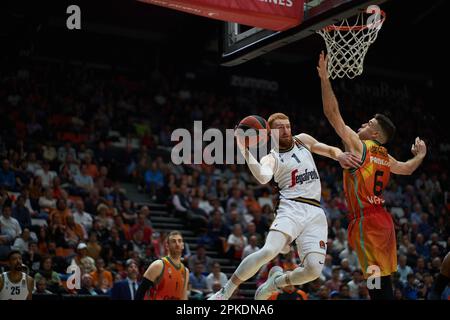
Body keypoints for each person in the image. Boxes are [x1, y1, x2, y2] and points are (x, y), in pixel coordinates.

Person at [209, 112, 360, 300]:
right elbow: (263, 177)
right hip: (291, 208)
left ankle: (275, 282)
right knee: (269, 251)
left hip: (315, 211)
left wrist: (340, 156)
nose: (286, 130)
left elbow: (330, 150)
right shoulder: (271, 157)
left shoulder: (302, 140)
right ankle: (225, 292)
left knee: (313, 271)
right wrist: (244, 150)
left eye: (287, 126)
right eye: (280, 128)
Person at [317, 52, 427, 299]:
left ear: (376, 135)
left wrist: (325, 79)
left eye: (368, 124)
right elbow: (407, 169)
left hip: (366, 221)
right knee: (382, 280)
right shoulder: (385, 157)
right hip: (384, 222)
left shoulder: (359, 146)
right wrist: (420, 156)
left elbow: (333, 115)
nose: (363, 125)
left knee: (375, 281)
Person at [135, 230, 189, 300]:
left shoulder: (185, 271)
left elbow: (183, 297)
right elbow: (140, 292)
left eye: (179, 241)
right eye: (173, 241)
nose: (177, 244)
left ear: (183, 246)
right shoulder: (158, 265)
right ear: (167, 246)